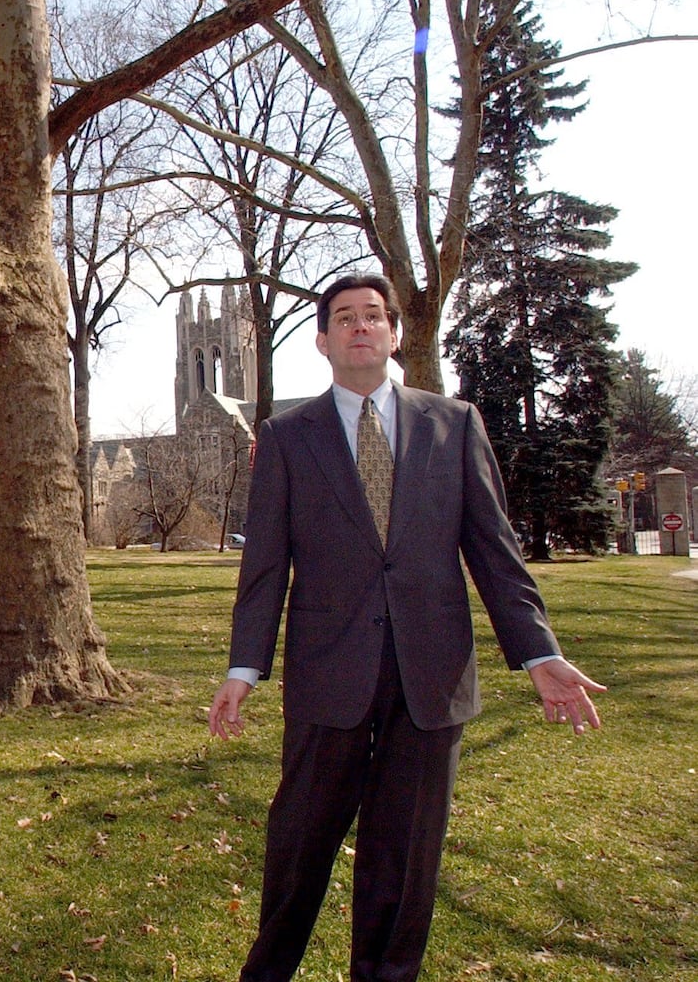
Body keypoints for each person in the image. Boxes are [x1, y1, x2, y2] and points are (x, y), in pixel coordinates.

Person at [207, 272, 606, 982]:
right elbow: (264, 566)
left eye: (373, 316)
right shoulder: (286, 437)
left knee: (404, 857)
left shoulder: (454, 425)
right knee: (298, 846)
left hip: (431, 677)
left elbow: (494, 551)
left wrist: (538, 652)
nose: (361, 327)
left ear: (394, 333)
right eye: (344, 318)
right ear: (323, 341)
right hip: (330, 675)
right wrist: (244, 670)